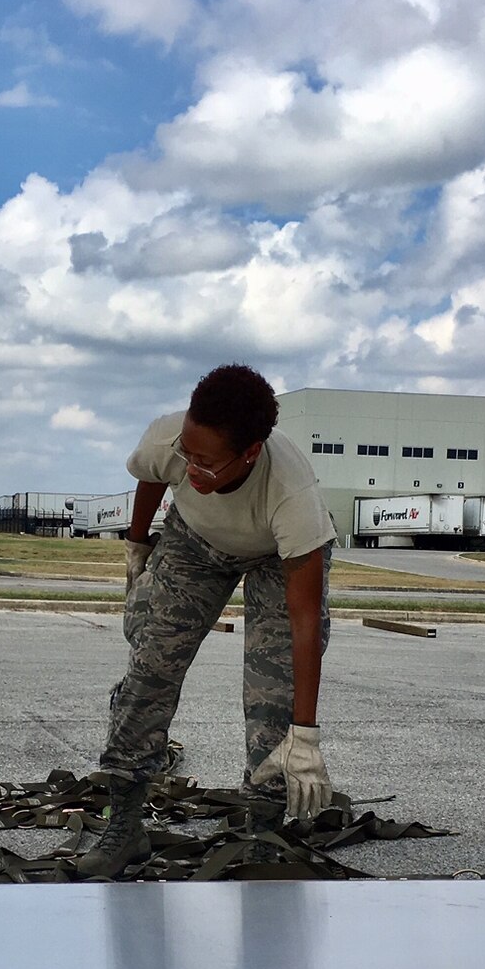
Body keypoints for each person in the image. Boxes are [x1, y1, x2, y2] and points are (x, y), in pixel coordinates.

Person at [78, 364, 336, 878]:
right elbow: (151, 476)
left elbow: (304, 623)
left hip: (272, 557)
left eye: (207, 463)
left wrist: (304, 735)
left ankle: (264, 834)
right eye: (187, 454)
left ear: (250, 453)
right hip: (194, 542)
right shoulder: (171, 438)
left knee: (272, 694)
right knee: (149, 668)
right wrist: (137, 544)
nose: (192, 469)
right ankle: (126, 824)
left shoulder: (292, 496)